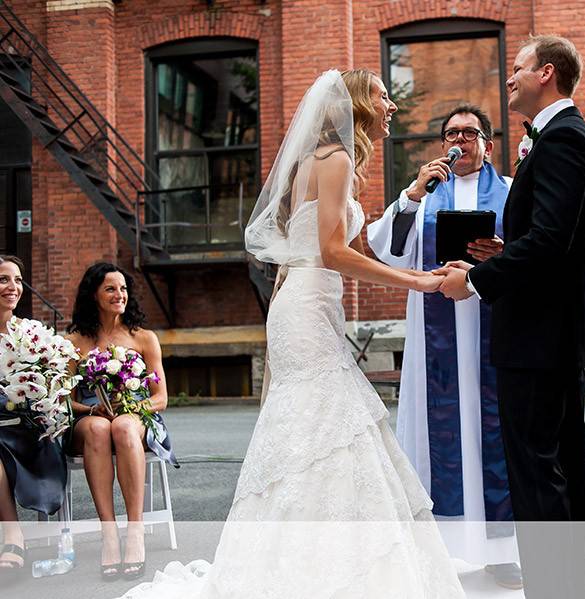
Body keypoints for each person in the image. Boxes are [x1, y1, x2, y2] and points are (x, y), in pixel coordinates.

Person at [114, 70, 464, 599]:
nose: (391, 105)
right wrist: (418, 281)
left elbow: (313, 248)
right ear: (354, 105)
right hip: (307, 306)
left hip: (303, 304)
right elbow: (334, 252)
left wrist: (412, 193)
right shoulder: (337, 159)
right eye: (382, 96)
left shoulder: (315, 160)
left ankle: (301, 566)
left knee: (312, 428)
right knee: (328, 424)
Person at [436, 35, 585, 599]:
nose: (510, 77)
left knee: (538, 474)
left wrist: (476, 280)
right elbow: (548, 239)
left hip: (537, 337)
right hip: (550, 334)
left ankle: (556, 589)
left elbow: (554, 241)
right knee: (559, 467)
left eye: (518, 68)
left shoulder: (561, 141)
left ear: (547, 74)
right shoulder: (563, 138)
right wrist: (502, 251)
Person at [367, 104, 521, 588]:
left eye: (469, 134)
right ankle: (442, 550)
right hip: (440, 337)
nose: (459, 141)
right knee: (444, 439)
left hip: (495, 329)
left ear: (487, 144)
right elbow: (387, 249)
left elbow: (534, 249)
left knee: (497, 436)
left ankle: (502, 552)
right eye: (450, 134)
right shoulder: (426, 195)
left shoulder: (513, 191)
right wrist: (412, 195)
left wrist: (502, 252)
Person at [67, 262, 177, 582]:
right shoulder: (75, 341)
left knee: (123, 426)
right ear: (93, 295)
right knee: (101, 428)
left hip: (136, 414)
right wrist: (90, 411)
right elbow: (65, 399)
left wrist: (131, 406)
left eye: (124, 288)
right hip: (89, 416)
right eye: (111, 289)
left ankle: (135, 531)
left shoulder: (143, 338)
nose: (120, 295)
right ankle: (109, 534)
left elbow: (161, 398)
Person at [0, 255, 67, 577]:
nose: (12, 287)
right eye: (3, 279)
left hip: (31, 431)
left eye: (17, 280)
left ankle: (12, 537)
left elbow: (57, 382)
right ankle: (13, 534)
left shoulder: (31, 333)